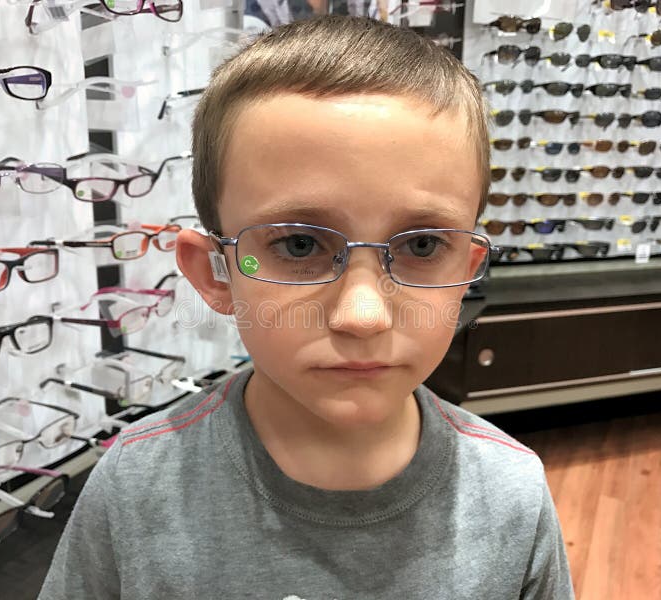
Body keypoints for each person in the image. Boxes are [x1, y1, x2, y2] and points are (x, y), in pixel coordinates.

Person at [39, 15, 574, 599]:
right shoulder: (138, 485)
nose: (364, 316)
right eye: (299, 245)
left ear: (465, 275)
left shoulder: (511, 493)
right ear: (214, 273)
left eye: (423, 246)